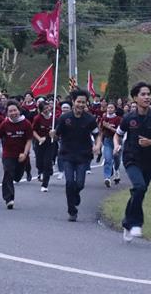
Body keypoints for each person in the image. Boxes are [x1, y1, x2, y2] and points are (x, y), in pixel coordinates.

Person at [114, 81, 151, 242]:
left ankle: (127, 223)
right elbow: (117, 134)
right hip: (131, 158)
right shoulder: (128, 118)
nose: (147, 97)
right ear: (135, 98)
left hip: (150, 159)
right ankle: (136, 223)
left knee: (140, 191)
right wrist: (117, 145)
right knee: (139, 187)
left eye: (148, 94)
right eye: (143, 94)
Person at [50, 89, 100, 222]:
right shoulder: (64, 118)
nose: (81, 105)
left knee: (80, 183)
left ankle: (76, 194)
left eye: (83, 102)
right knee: (69, 182)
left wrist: (97, 145)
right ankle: (72, 210)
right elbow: (57, 136)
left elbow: (97, 134)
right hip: (67, 155)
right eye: (78, 102)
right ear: (73, 102)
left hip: (83, 156)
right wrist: (53, 135)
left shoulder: (89, 119)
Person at [0, 101, 32, 209]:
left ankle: (22, 171)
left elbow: (29, 140)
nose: (13, 113)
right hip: (8, 154)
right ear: (7, 113)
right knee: (8, 173)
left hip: (21, 154)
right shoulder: (5, 123)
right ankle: (9, 199)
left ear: (19, 111)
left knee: (17, 176)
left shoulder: (26, 123)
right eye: (10, 111)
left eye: (15, 110)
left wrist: (25, 153)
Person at [96, 101, 122, 187]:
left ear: (115, 110)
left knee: (117, 158)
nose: (109, 109)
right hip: (107, 141)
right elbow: (101, 131)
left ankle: (116, 170)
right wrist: (99, 142)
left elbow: (119, 132)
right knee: (107, 159)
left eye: (111, 108)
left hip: (117, 141)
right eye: (108, 108)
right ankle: (107, 178)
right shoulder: (104, 119)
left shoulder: (118, 119)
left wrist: (109, 127)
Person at [31, 100, 54, 192]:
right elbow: (33, 130)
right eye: (44, 109)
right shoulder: (37, 118)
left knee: (47, 163)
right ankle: (40, 170)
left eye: (48, 107)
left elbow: (58, 131)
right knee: (39, 163)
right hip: (40, 142)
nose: (47, 110)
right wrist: (39, 138)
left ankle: (45, 184)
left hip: (50, 142)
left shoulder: (53, 119)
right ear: (40, 110)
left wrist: (54, 134)